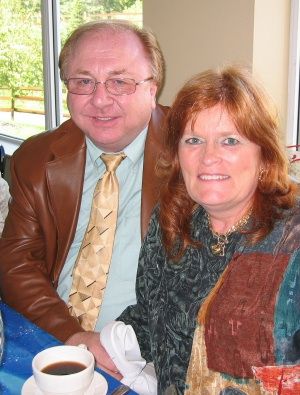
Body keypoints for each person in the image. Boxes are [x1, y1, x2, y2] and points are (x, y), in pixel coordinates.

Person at [101, 66, 300, 394]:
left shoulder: (290, 240)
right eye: (193, 140)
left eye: (230, 141)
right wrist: (104, 343)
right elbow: (151, 316)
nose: (209, 157)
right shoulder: (171, 219)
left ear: (264, 156)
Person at [0, 20, 168, 369]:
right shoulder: (35, 159)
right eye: (83, 82)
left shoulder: (192, 155)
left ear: (152, 89)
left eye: (120, 82)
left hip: (151, 354)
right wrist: (72, 336)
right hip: (53, 339)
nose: (100, 99)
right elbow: (16, 262)